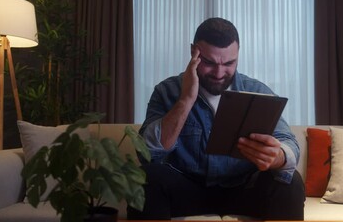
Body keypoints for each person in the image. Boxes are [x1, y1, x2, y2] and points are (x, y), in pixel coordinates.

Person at [127, 17, 305, 220]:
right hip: (188, 190)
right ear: (194, 52)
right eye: (209, 63)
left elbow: (289, 144)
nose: (219, 73)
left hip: (243, 190)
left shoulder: (257, 91)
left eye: (229, 63)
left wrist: (278, 156)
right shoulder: (166, 91)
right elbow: (147, 153)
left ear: (238, 54)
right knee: (145, 178)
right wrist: (186, 99)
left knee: (290, 181)